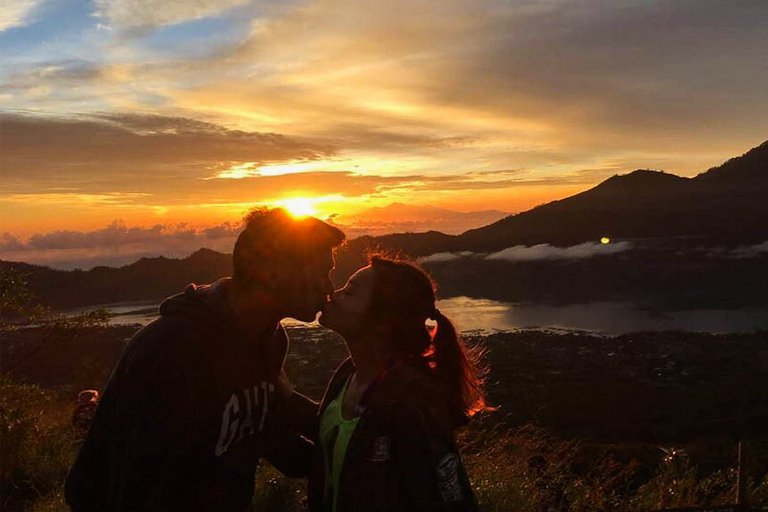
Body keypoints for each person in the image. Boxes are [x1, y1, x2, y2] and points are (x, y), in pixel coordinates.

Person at [65, 208, 344, 512]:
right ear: (276, 272)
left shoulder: (270, 337)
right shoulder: (172, 347)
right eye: (322, 273)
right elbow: (137, 480)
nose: (329, 286)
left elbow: (259, 425)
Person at [302, 256, 486, 511]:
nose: (333, 293)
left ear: (382, 323)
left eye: (350, 291)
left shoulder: (412, 400)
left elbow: (447, 498)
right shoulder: (348, 375)